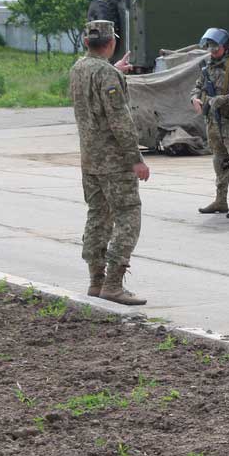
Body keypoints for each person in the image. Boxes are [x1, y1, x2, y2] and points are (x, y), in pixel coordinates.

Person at [70, 20, 150, 305]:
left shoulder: (79, 68)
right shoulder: (106, 74)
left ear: (86, 42)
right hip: (114, 161)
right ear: (111, 42)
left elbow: (94, 97)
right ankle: (114, 284)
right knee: (129, 214)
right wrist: (136, 159)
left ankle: (96, 280)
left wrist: (115, 72)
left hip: (89, 159)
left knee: (98, 215)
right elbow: (120, 121)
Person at [190, 27, 229, 215]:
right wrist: (195, 98)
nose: (212, 51)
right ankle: (220, 200)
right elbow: (197, 87)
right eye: (210, 47)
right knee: (219, 161)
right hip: (213, 122)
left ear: (225, 46)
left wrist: (224, 99)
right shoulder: (207, 66)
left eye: (216, 47)